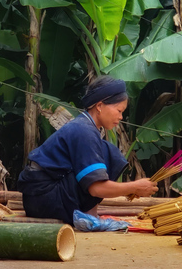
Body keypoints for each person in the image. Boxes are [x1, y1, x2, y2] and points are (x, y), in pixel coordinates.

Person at [16, 76, 158, 225]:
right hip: (43, 199)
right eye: (119, 110)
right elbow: (96, 189)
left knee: (106, 151)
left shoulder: (85, 126)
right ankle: (89, 215)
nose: (121, 117)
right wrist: (135, 187)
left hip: (39, 199)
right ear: (100, 106)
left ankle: (90, 213)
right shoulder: (84, 130)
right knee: (105, 158)